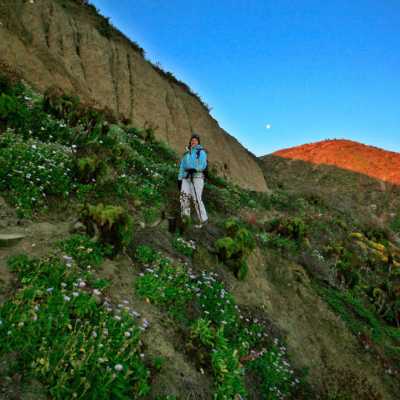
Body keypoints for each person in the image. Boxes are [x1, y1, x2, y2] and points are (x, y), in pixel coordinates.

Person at [178, 132, 208, 228]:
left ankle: (203, 220)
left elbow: (203, 164)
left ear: (198, 142)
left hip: (197, 177)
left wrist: (195, 169)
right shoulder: (186, 153)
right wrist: (179, 178)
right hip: (186, 178)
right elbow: (182, 166)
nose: (193, 141)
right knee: (184, 197)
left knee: (196, 199)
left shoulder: (201, 152)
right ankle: (185, 219)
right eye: (192, 140)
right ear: (190, 142)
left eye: (195, 140)